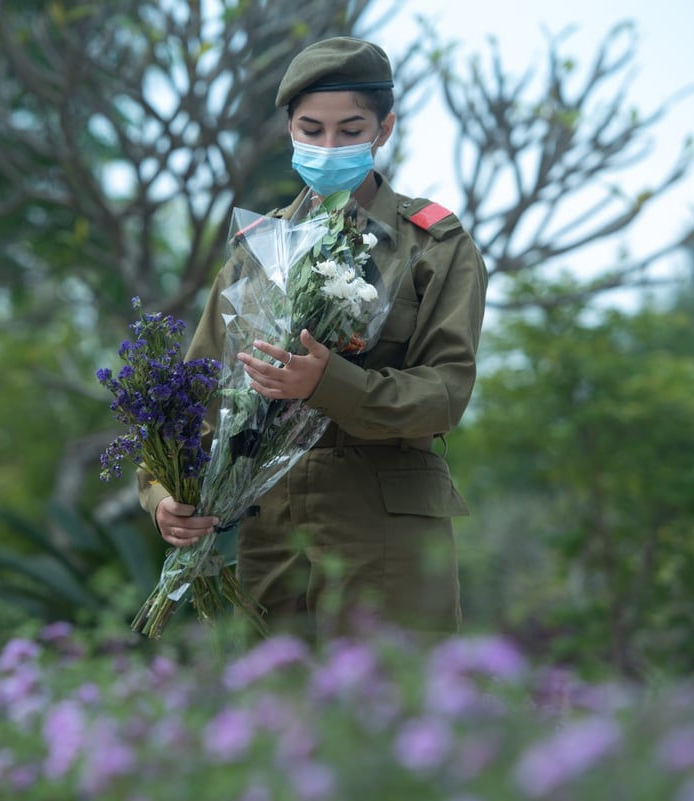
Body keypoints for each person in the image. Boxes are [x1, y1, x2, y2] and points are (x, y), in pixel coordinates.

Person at [139, 36, 488, 639]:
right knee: (280, 718)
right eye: (312, 129)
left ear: (384, 129)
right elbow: (192, 395)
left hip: (385, 528)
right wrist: (163, 495)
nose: (330, 146)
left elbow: (445, 394)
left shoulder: (433, 245)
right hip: (272, 530)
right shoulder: (256, 249)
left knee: (391, 713)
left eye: (351, 129)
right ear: (289, 130)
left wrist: (329, 382)